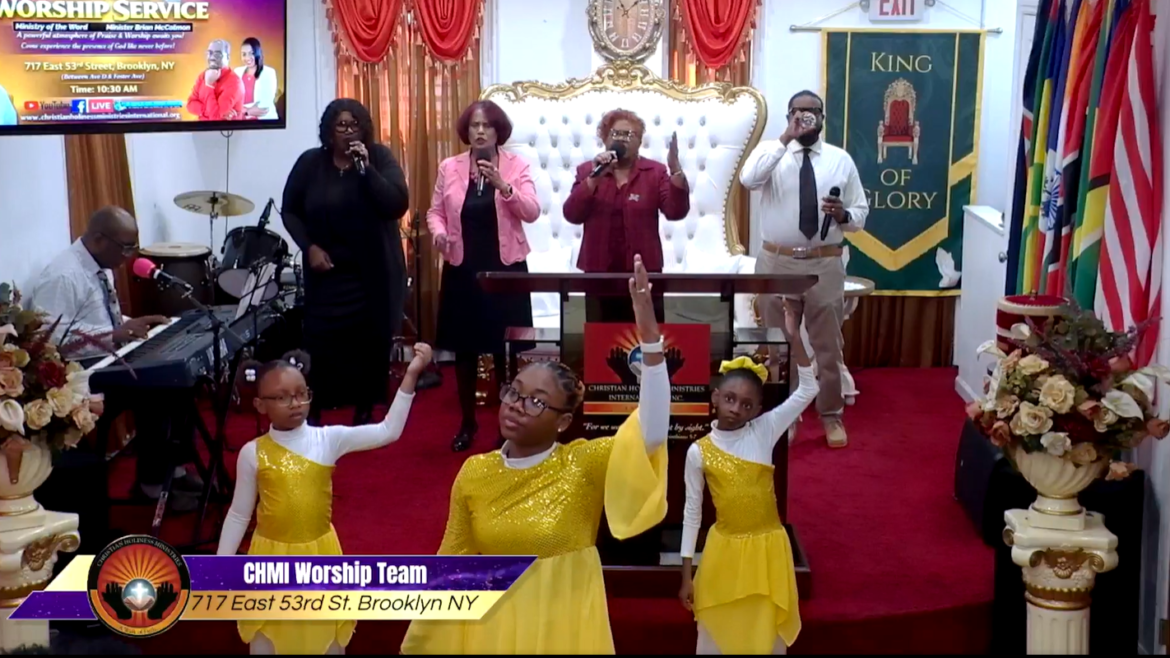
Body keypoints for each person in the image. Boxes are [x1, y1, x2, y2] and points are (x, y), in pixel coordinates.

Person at [400, 255, 670, 654]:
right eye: (514, 392)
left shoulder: (583, 463)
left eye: (537, 401)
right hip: (494, 632)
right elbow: (453, 562)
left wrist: (649, 338)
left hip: (563, 629)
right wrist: (422, 639)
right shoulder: (475, 471)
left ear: (563, 422)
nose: (516, 405)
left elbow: (652, 431)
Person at [218, 344, 430, 654]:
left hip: (321, 556)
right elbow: (239, 514)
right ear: (260, 405)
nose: (295, 403)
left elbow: (388, 430)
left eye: (301, 394)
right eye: (282, 397)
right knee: (269, 638)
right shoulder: (252, 453)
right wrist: (222, 567)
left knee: (325, 639)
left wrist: (410, 375)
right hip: (271, 559)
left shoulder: (328, 439)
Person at [28, 206, 199, 512]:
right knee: (157, 389)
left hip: (105, 360)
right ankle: (151, 486)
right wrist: (115, 334)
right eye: (126, 247)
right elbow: (49, 340)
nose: (130, 256)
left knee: (180, 379)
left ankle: (172, 470)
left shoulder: (99, 264)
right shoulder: (63, 276)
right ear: (98, 239)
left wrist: (134, 324)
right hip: (77, 374)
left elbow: (100, 321)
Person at [678, 301, 817, 655]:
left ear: (757, 409)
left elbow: (808, 389)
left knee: (764, 634)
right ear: (715, 397)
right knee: (719, 632)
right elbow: (692, 514)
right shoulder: (698, 452)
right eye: (729, 399)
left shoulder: (764, 430)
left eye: (746, 404)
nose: (736, 409)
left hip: (767, 553)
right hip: (724, 554)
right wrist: (686, 573)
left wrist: (794, 335)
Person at [738, 90, 869, 449]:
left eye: (812, 112)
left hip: (824, 261)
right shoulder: (772, 153)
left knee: (828, 344)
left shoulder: (840, 160)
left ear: (823, 118)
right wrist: (785, 138)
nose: (805, 117)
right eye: (798, 112)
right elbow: (748, 179)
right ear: (789, 116)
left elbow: (860, 214)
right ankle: (785, 416)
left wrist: (842, 214)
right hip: (776, 260)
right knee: (778, 345)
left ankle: (831, 415)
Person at [281, 99, 410, 426]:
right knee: (321, 341)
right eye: (341, 125)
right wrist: (309, 246)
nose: (349, 131)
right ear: (329, 130)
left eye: (355, 125)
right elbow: (290, 210)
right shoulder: (311, 163)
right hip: (325, 273)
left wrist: (366, 169)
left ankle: (364, 409)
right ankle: (317, 407)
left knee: (369, 342)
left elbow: (396, 204)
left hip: (372, 273)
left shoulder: (378, 157)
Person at [429, 100, 540, 453]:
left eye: (486, 126)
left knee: (505, 350)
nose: (479, 131)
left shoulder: (516, 165)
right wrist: (439, 234)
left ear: (497, 131)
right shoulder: (449, 167)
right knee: (465, 349)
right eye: (474, 126)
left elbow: (532, 211)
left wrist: (504, 186)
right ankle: (467, 423)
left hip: (505, 269)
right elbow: (435, 212)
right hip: (463, 269)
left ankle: (508, 424)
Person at [562, 108, 689, 322]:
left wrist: (675, 171)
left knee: (646, 336)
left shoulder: (655, 172)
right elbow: (572, 214)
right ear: (604, 138)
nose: (622, 139)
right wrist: (594, 178)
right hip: (599, 276)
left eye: (629, 134)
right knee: (601, 338)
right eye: (616, 133)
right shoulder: (587, 171)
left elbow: (675, 212)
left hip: (644, 275)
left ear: (640, 141)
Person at [187, 39, 244, 121]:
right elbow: (190, 105)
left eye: (217, 54)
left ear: (228, 57)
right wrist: (208, 111)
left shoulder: (235, 83)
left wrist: (208, 85)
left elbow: (215, 119)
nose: (212, 57)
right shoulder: (202, 75)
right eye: (209, 53)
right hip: (200, 128)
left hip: (225, 129)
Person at [235, 37, 279, 121]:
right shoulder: (237, 72)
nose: (247, 58)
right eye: (244, 54)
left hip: (264, 122)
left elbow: (265, 104)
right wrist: (247, 111)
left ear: (257, 52)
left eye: (251, 53)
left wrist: (243, 110)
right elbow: (233, 100)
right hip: (241, 121)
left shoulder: (269, 73)